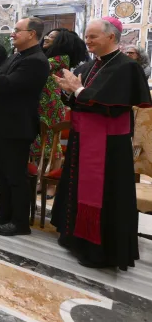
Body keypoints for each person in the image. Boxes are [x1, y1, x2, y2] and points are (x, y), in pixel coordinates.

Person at [52, 17, 152, 270]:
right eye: (86, 36)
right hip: (82, 137)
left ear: (111, 37)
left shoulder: (126, 67)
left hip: (108, 145)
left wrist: (77, 91)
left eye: (93, 36)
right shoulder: (88, 66)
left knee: (105, 194)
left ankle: (98, 251)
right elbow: (79, 100)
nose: (87, 41)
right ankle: (74, 237)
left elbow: (108, 102)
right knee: (76, 186)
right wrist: (68, 91)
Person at [0, 17, 50, 236]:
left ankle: (20, 223)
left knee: (16, 176)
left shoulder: (35, 60)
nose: (12, 34)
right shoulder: (18, 55)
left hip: (18, 125)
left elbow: (6, 85)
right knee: (3, 172)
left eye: (17, 30)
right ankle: (4, 213)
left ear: (32, 34)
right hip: (5, 122)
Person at [31, 29, 87, 158]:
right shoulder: (47, 57)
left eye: (51, 37)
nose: (45, 37)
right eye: (47, 35)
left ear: (60, 42)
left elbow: (35, 66)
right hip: (42, 102)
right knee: (39, 140)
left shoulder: (61, 58)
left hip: (49, 104)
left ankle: (49, 171)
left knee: (48, 141)